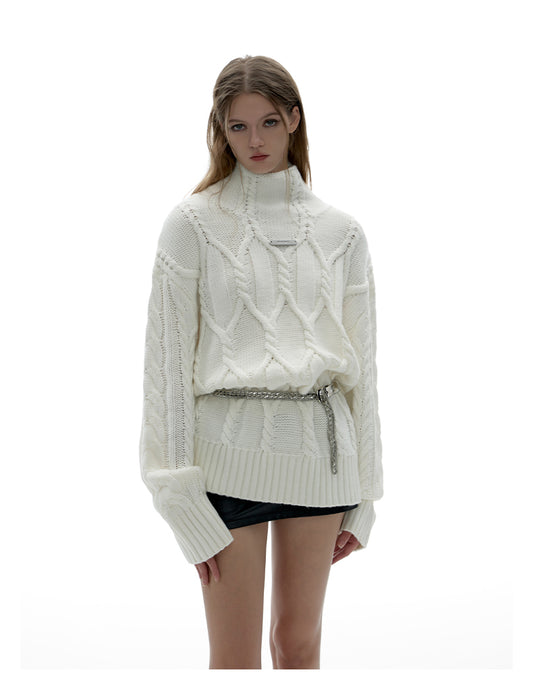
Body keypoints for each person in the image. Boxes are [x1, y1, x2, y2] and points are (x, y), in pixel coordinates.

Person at [139, 54, 383, 670]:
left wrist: (367, 494)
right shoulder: (191, 225)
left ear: (294, 120)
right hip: (227, 462)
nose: (255, 140)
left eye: (269, 122)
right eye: (238, 126)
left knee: (298, 648)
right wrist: (178, 498)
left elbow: (364, 372)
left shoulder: (343, 234)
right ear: (220, 130)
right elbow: (166, 369)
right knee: (235, 661)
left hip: (322, 460)